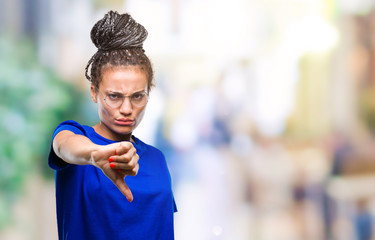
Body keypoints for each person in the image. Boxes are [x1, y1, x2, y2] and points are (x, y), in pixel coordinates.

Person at [48, 11, 177, 240]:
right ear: (94, 92)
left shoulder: (157, 159)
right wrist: (95, 154)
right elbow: (64, 146)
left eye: (137, 96)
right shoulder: (77, 137)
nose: (127, 109)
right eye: (114, 96)